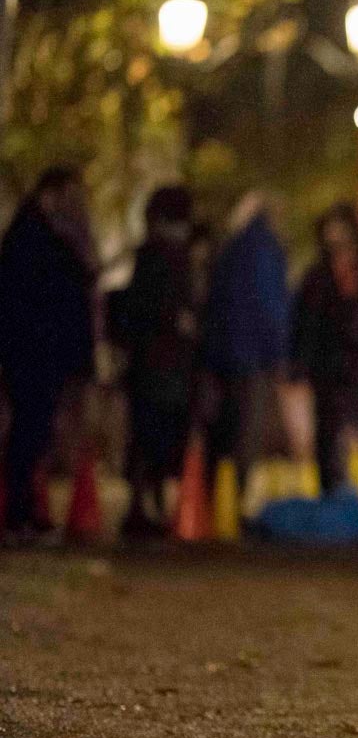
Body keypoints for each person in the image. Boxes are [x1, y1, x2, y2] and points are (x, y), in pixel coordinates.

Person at [0, 166, 96, 545]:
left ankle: (25, 512)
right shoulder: (33, 238)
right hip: (33, 353)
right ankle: (18, 514)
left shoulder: (41, 234)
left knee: (35, 433)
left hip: (40, 352)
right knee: (29, 431)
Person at [291, 203, 358, 492]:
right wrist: (300, 366)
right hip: (329, 368)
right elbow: (305, 323)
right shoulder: (317, 276)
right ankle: (330, 495)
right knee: (327, 436)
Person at [113, 186, 201, 542]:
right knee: (156, 434)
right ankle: (148, 506)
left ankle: (148, 506)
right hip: (162, 363)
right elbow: (156, 309)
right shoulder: (166, 256)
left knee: (152, 435)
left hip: (154, 363)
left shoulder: (156, 254)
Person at [201, 192, 290, 493]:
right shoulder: (264, 248)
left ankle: (214, 493)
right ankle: (236, 496)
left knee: (224, 426)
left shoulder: (232, 247)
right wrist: (279, 352)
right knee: (246, 429)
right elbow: (270, 304)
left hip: (224, 353)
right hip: (252, 355)